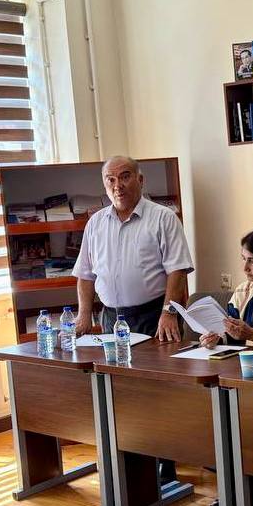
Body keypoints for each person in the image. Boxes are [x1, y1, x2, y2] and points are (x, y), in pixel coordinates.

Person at [73, 155, 194, 485]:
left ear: (140, 180)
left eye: (125, 176)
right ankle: (129, 457)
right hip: (112, 318)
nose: (118, 185)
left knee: (157, 393)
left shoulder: (162, 218)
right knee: (119, 392)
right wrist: (84, 314)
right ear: (105, 185)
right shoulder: (96, 223)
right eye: (110, 180)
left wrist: (169, 313)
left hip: (154, 315)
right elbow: (85, 275)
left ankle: (165, 461)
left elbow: (177, 270)